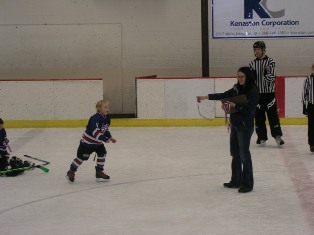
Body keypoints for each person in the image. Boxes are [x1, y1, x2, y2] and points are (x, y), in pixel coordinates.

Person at [196, 67, 259, 193]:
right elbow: (224, 95)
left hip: (245, 126)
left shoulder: (253, 90)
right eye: (238, 76)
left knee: (244, 155)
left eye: (242, 76)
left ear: (248, 77)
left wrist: (236, 105)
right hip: (235, 124)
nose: (240, 79)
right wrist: (206, 97)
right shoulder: (236, 88)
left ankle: (247, 184)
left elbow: (250, 110)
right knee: (235, 153)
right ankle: (236, 180)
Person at [66, 100, 117, 183]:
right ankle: (71, 171)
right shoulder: (94, 118)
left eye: (108, 107)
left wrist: (110, 137)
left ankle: (99, 172)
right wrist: (104, 139)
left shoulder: (107, 118)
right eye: (105, 107)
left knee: (102, 154)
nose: (107, 109)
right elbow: (95, 132)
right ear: (99, 108)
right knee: (81, 158)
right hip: (87, 144)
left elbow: (105, 129)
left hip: (98, 144)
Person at [249, 41, 284, 146]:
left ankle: (277, 136)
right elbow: (250, 81)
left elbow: (272, 78)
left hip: (269, 95)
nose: (256, 51)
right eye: (255, 50)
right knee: (259, 117)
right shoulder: (252, 63)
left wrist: (265, 75)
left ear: (263, 50)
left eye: (258, 49)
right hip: (257, 95)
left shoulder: (271, 62)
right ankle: (261, 137)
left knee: (273, 116)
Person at [302, 64, 314, 152]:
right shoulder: (308, 79)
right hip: (311, 105)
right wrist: (304, 107)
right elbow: (304, 93)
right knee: (312, 126)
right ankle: (312, 144)